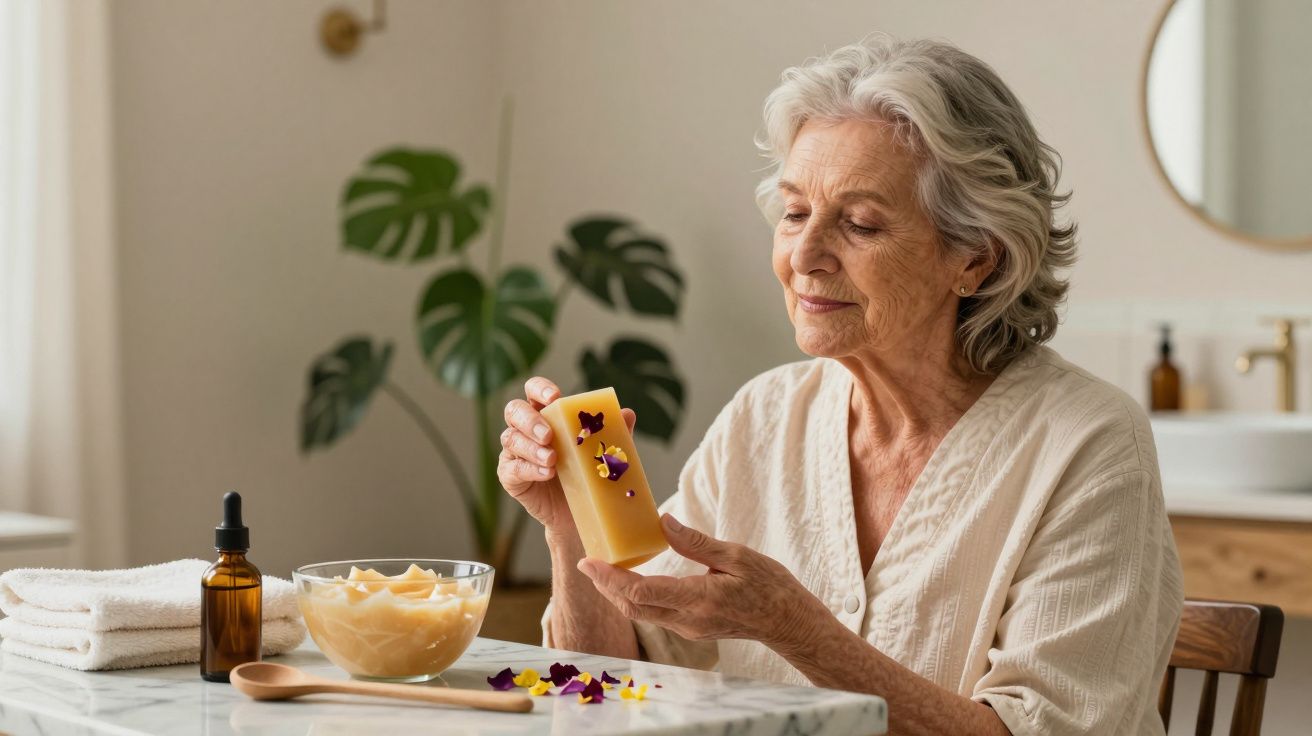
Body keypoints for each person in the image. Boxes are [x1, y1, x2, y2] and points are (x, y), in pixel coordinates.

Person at [497, 35, 1182, 736]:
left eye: (859, 224)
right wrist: (569, 525)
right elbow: (607, 685)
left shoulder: (1089, 443)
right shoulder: (764, 417)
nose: (804, 256)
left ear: (975, 259)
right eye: (795, 213)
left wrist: (799, 632)